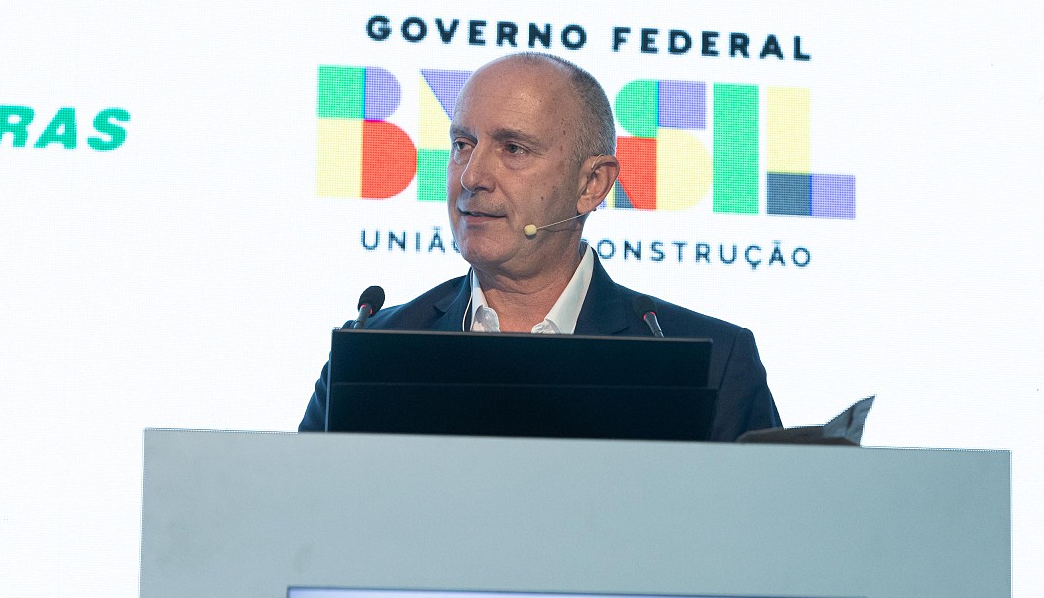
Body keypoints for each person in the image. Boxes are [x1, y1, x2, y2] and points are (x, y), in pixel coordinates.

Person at [299, 52, 780, 440]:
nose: (472, 176)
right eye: (463, 144)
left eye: (513, 149)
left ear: (592, 184)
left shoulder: (712, 364)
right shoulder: (374, 350)